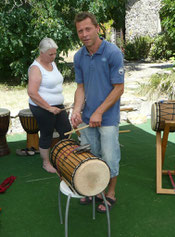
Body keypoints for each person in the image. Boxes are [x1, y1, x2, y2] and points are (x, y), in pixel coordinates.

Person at [71, 12, 124, 213]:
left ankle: (110, 193)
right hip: (87, 118)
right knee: (91, 156)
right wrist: (77, 110)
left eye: (87, 29)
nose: (84, 34)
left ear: (97, 28)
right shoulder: (78, 56)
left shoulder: (113, 53)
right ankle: (94, 189)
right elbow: (80, 87)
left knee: (109, 158)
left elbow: (119, 88)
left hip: (108, 118)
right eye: (80, 31)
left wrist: (99, 112)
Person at [28, 37, 71, 173]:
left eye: (55, 53)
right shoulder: (36, 68)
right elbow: (32, 93)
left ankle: (64, 157)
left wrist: (56, 105)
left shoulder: (52, 63)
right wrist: (48, 107)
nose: (54, 56)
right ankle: (46, 163)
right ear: (41, 52)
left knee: (66, 130)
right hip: (41, 107)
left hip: (57, 105)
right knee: (47, 134)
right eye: (50, 54)